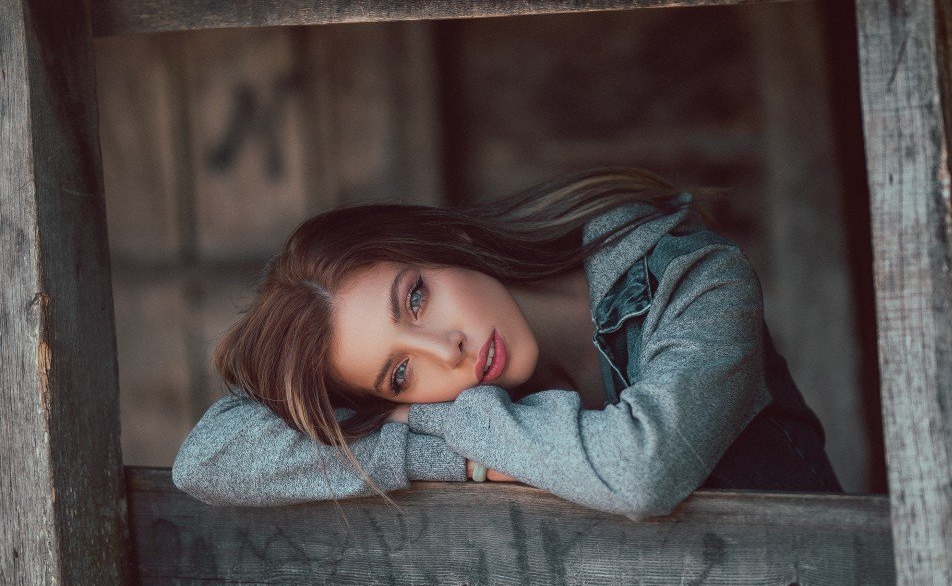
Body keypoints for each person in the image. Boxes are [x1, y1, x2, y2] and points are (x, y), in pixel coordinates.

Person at [171, 166, 841, 517]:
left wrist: (450, 422)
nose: (447, 351)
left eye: (416, 297)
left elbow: (641, 471)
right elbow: (207, 459)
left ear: (450, 242)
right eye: (399, 376)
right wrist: (452, 456)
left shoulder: (691, 277)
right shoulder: (469, 397)